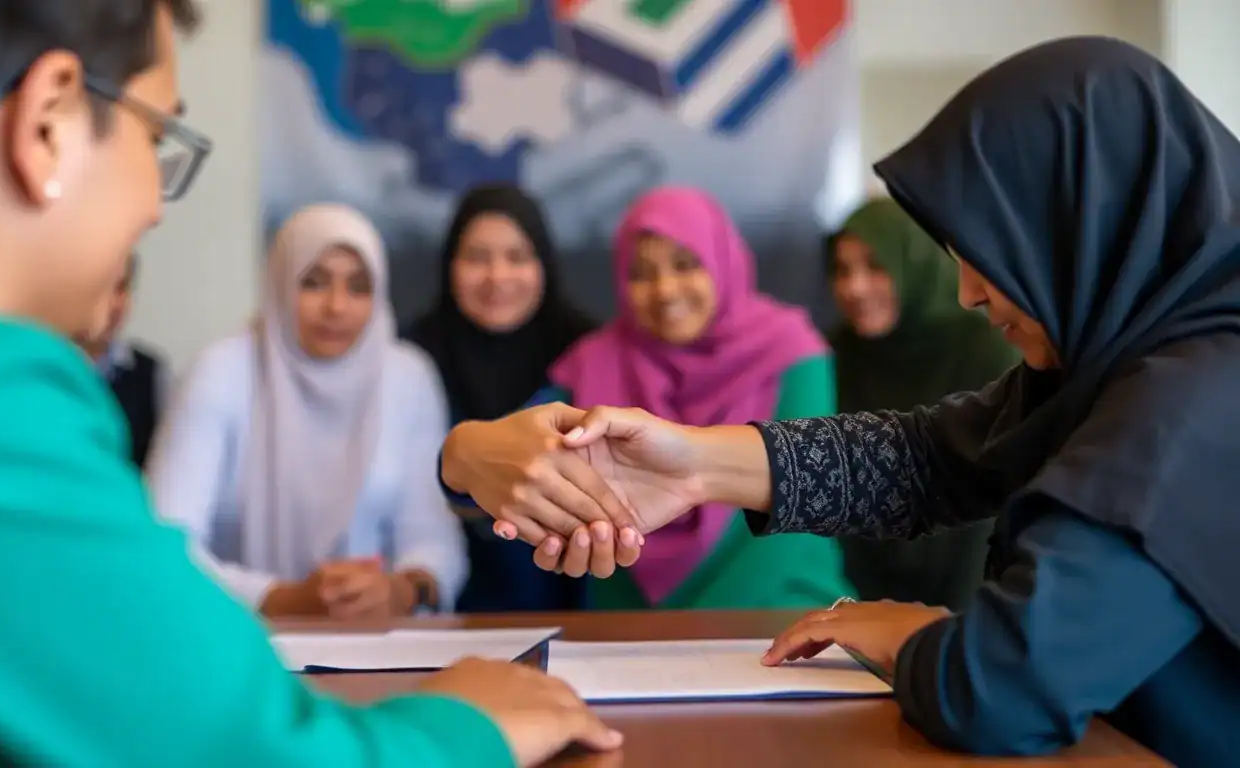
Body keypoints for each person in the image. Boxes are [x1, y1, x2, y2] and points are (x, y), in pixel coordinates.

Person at [439, 37, 1240, 763]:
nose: (965, 292)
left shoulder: (1188, 405)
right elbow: (935, 457)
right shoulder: (1134, 365)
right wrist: (692, 467)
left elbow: (999, 689)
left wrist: (911, 631)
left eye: (992, 253)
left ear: (1086, 226)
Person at [0, 2, 619, 765]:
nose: (152, 206)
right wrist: (469, 724)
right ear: (48, 122)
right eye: (155, 137)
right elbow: (237, 748)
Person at [458, 186, 852, 610]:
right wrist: (462, 451)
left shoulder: (790, 353)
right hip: (631, 637)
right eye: (641, 273)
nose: (665, 290)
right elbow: (507, 455)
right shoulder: (596, 364)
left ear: (722, 261)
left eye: (685, 265)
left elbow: (801, 511)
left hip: (782, 617)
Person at [147, 204, 466, 619]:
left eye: (358, 287)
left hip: (376, 645)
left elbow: (433, 537)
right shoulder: (222, 371)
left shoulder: (407, 377)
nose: (336, 307)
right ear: (280, 283)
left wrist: (401, 590)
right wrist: (280, 599)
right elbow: (166, 542)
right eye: (313, 283)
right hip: (239, 635)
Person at [407, 184, 594, 612]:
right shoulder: (409, 360)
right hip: (439, 615)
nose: (497, 277)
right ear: (449, 264)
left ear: (543, 263)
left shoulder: (586, 357)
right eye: (477, 258)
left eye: (517, 257)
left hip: (575, 613)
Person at [827, 198, 1019, 610]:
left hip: (972, 594)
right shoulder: (836, 353)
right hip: (856, 597)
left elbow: (990, 501)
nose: (854, 288)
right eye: (842, 271)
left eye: (876, 267)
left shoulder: (987, 352)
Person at [74, 252, 170, 468]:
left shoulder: (150, 373)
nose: (115, 303)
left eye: (122, 288)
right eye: (104, 287)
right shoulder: (43, 367)